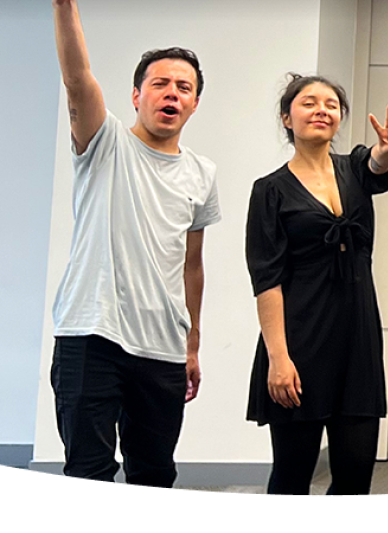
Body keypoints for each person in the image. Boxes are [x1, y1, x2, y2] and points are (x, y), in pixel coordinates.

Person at [48, 0, 219, 488]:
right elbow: (77, 79)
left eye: (183, 87)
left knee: (154, 475)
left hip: (162, 347)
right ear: (136, 95)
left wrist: (192, 343)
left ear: (194, 103)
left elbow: (191, 264)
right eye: (160, 83)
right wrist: (64, 6)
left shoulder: (202, 173)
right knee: (88, 475)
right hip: (90, 335)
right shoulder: (105, 142)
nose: (172, 93)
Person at [245, 75, 388, 496]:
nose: (321, 110)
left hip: (356, 340)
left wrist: (386, 152)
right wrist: (278, 357)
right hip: (299, 341)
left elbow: (376, 166)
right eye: (309, 103)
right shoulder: (269, 190)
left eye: (331, 104)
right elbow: (267, 280)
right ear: (287, 118)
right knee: (292, 476)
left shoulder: (354, 168)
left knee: (355, 476)